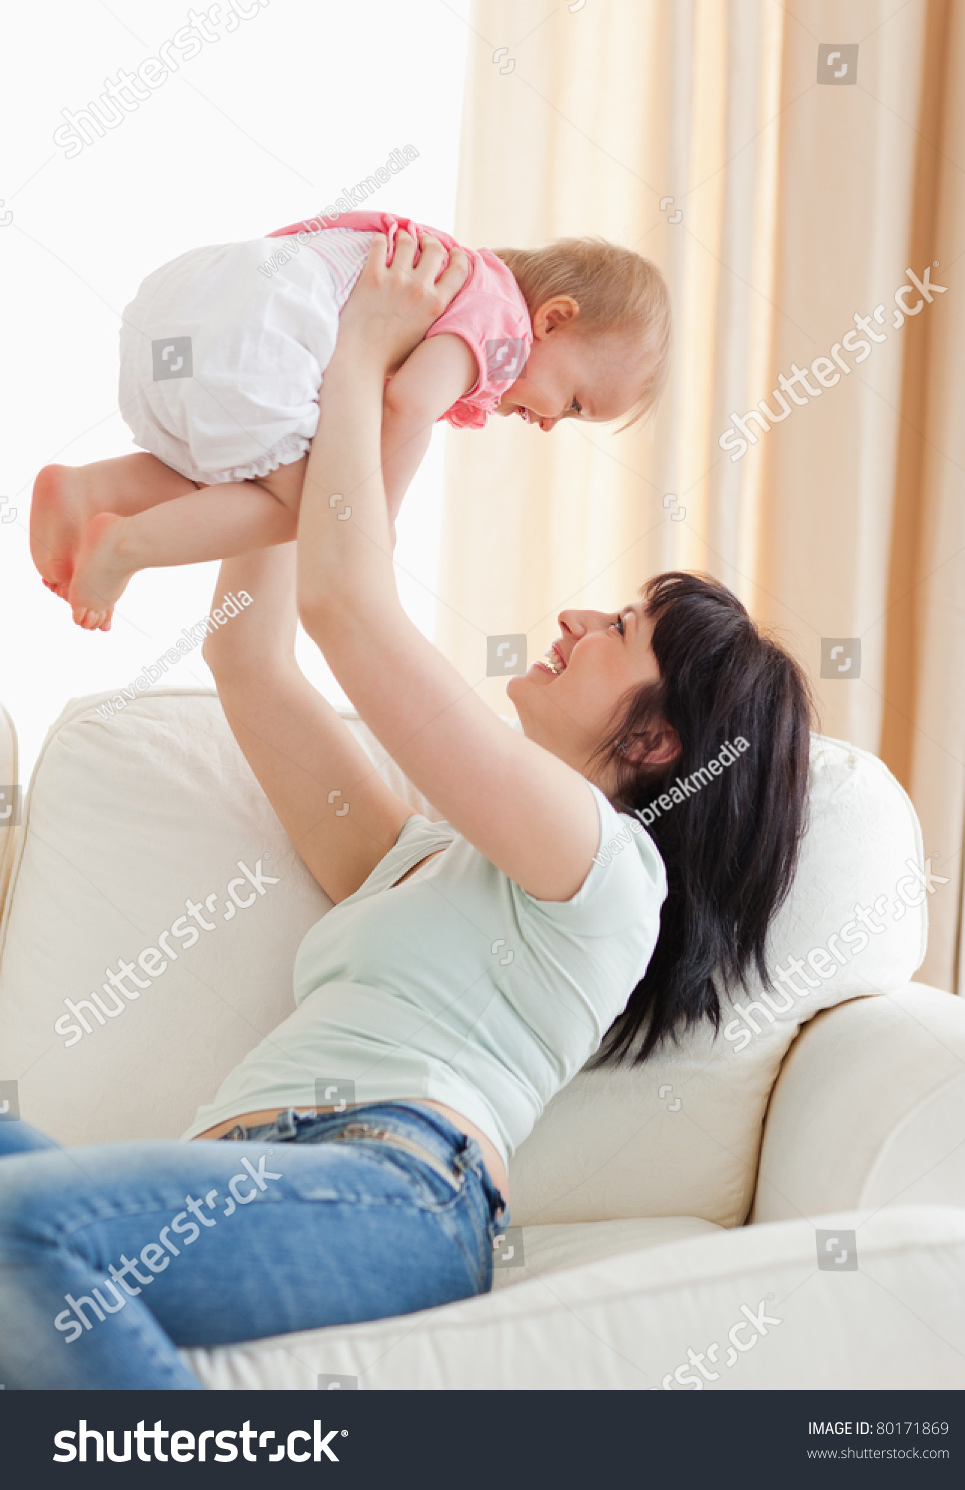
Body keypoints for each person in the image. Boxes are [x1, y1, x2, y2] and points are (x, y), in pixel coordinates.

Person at [0, 233, 810, 1389]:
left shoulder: (605, 868)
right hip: (242, 1177)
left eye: (619, 632)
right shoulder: (418, 857)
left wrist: (365, 355)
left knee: (16, 1237)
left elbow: (346, 602)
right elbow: (251, 655)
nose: (578, 618)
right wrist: (326, 402)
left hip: (390, 1189)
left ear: (657, 741)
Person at [28, 208, 671, 631]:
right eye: (578, 404)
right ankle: (125, 545)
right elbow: (410, 403)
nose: (556, 423)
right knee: (306, 505)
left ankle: (89, 490)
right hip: (260, 339)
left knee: (241, 484)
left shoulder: (455, 275)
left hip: (193, 310)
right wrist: (376, 516)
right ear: (553, 319)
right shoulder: (500, 322)